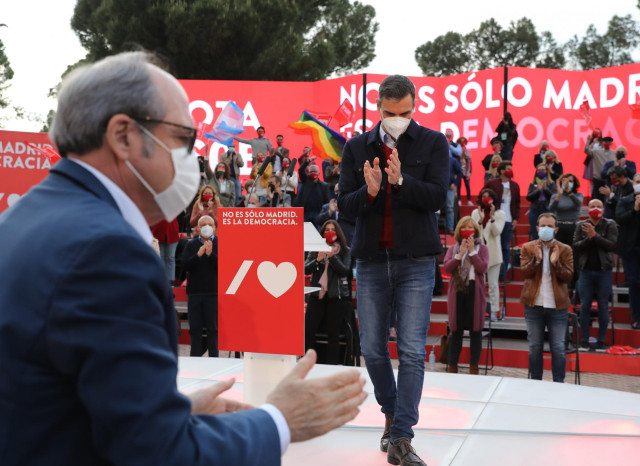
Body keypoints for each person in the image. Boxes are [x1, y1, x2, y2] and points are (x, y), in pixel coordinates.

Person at [0, 51, 367, 465]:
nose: (192, 160)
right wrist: (279, 419)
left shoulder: (20, 219)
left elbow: (62, 399)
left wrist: (171, 411)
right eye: (183, 139)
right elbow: (156, 453)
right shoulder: (108, 252)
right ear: (123, 136)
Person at [338, 74, 448, 466]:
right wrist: (369, 191)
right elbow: (344, 207)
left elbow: (437, 196)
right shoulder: (356, 147)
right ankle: (391, 411)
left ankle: (401, 436)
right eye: (390, 113)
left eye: (404, 112)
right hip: (370, 260)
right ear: (378, 109)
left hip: (417, 260)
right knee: (371, 349)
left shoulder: (434, 143)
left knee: (412, 351)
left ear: (414, 106)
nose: (397, 119)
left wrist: (401, 181)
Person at [520, 213, 574, 382]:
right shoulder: (528, 248)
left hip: (557, 306)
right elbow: (524, 273)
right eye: (543, 225)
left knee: (558, 347)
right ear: (537, 228)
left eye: (550, 226)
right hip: (533, 305)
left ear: (556, 229)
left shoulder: (565, 249)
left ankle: (558, 383)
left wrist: (555, 263)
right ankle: (536, 383)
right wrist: (536, 260)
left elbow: (568, 277)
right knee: (534, 347)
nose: (546, 229)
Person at [443, 217, 489, 374]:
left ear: (475, 231)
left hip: (475, 291)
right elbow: (448, 268)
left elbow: (482, 268)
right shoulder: (453, 248)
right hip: (457, 291)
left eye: (471, 227)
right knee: (456, 330)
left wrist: (472, 252)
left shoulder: (482, 249)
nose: (468, 230)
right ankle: (452, 366)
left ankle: (473, 367)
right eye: (465, 227)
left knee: (476, 330)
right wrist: (459, 255)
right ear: (459, 230)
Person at [304, 220, 352, 365]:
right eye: (326, 229)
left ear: (338, 233)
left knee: (333, 335)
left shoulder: (345, 250)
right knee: (309, 331)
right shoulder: (315, 249)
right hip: (316, 296)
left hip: (336, 298)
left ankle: (331, 366)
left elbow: (345, 271)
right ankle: (308, 363)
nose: (330, 232)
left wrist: (333, 257)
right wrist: (318, 260)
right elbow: (306, 269)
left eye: (332, 229)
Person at [573, 199, 618, 350]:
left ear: (603, 209)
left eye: (599, 206)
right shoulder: (581, 225)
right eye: (592, 206)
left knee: (603, 306)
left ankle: (601, 340)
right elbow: (576, 246)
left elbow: (612, 245)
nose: (596, 208)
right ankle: (584, 340)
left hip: (604, 272)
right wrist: (589, 237)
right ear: (587, 209)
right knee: (585, 305)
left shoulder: (610, 224)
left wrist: (595, 236)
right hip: (585, 272)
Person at [182, 215, 219, 357]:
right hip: (194, 293)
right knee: (195, 330)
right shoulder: (190, 245)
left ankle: (215, 360)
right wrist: (198, 255)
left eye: (210, 224)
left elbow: (227, 266)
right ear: (198, 227)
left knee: (213, 330)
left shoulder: (221, 243)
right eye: (203, 224)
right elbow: (185, 265)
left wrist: (211, 255)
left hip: (213, 293)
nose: (207, 226)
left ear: (215, 228)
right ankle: (195, 360)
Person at [611, 168, 640, 329]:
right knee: (634, 282)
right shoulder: (625, 200)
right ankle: (637, 316)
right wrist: (635, 209)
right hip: (630, 248)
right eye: (637, 183)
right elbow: (620, 219)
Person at [471, 188, 505, 321]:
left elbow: (497, 232)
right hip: (479, 254)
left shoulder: (500, 214)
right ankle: (478, 310)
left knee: (493, 284)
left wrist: (491, 219)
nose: (486, 199)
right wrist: (480, 221)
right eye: (483, 197)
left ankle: (494, 311)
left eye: (488, 197)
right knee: (478, 285)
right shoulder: (475, 212)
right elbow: (474, 232)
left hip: (494, 254)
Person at [484, 161, 520, 276]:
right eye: (508, 168)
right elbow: (483, 195)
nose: (511, 170)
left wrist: (516, 218)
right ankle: (490, 270)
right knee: (492, 245)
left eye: (511, 168)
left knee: (505, 246)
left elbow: (517, 203)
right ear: (502, 171)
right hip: (494, 218)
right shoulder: (492, 183)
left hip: (508, 220)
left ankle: (502, 273)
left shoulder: (514, 185)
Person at [549, 173, 584, 245]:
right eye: (565, 181)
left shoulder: (579, 195)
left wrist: (569, 192)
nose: (568, 183)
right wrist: (559, 195)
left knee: (573, 251)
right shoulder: (555, 196)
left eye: (570, 181)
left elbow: (578, 203)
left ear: (575, 183)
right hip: (559, 227)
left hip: (573, 227)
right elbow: (551, 208)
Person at [295, 163, 330, 230]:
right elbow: (300, 170)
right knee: (305, 233)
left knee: (318, 233)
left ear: (319, 173)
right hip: (306, 213)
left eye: (315, 172)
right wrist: (307, 161)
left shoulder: (324, 186)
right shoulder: (305, 182)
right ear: (308, 173)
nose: (313, 173)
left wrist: (325, 213)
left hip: (318, 213)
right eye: (311, 172)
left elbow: (327, 201)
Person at [526, 163, 556, 240]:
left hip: (546, 210)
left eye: (543, 170)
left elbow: (554, 196)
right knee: (535, 234)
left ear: (546, 171)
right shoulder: (533, 183)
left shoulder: (551, 183)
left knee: (547, 234)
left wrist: (546, 189)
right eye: (539, 170)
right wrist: (537, 190)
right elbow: (528, 197)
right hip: (534, 210)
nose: (541, 171)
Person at [584, 135, 615, 201]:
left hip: (609, 180)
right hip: (598, 179)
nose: (607, 144)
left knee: (608, 199)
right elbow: (586, 150)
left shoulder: (614, 153)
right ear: (602, 143)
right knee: (597, 199)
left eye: (609, 142)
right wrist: (588, 141)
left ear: (611, 143)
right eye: (606, 142)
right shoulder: (596, 151)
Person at [151, 218, 180, 284]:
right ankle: (161, 278)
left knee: (171, 257)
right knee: (161, 257)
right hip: (158, 231)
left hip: (172, 232)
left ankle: (170, 279)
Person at [445, 151, 464, 234]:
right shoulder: (435, 159)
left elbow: (460, 173)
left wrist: (455, 183)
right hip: (438, 186)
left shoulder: (452, 160)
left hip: (449, 188)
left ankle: (450, 228)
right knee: (435, 208)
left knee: (449, 208)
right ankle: (434, 228)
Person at [458, 136, 473, 205]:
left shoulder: (468, 150)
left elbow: (469, 159)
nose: (462, 142)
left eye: (464, 141)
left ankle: (469, 200)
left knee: (467, 185)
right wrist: (461, 152)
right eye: (461, 141)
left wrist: (470, 171)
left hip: (466, 171)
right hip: (459, 170)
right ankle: (459, 200)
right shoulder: (457, 150)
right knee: (459, 185)